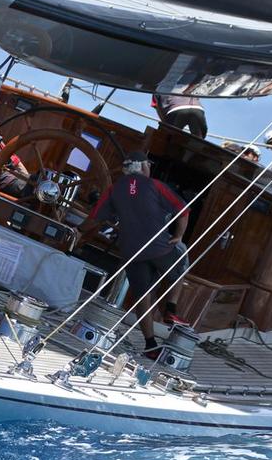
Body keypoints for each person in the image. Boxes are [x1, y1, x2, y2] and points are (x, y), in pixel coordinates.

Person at [78, 150, 190, 355]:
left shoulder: (114, 190)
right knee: (182, 256)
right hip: (159, 249)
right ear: (143, 167)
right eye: (149, 164)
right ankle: (171, 309)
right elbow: (183, 210)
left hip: (132, 251)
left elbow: (94, 219)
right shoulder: (156, 186)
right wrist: (179, 236)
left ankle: (150, 344)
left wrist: (77, 232)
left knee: (143, 297)